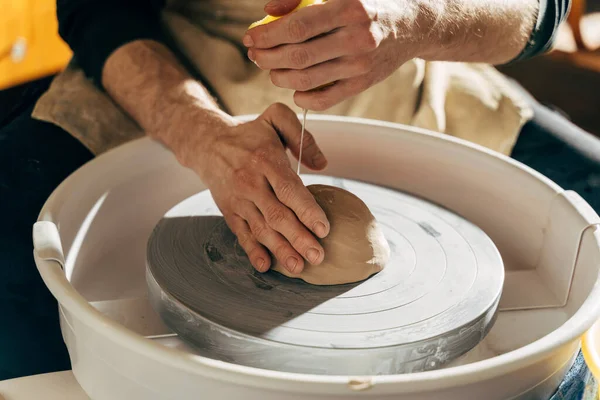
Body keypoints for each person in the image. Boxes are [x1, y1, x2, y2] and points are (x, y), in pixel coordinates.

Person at [3, 0, 596, 393]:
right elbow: (93, 7)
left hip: (405, 52)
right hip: (174, 61)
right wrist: (199, 133)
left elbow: (543, 8)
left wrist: (419, 18)